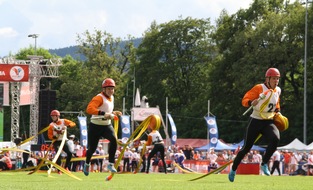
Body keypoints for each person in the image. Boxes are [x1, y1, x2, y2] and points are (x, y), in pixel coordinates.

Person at [228, 68, 282, 182]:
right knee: (246, 148)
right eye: (274, 78)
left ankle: (264, 163)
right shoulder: (259, 88)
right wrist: (250, 102)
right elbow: (245, 99)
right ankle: (233, 169)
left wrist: (278, 112)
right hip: (256, 120)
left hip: (268, 121)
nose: (276, 81)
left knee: (275, 138)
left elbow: (276, 104)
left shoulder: (278, 90)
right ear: (267, 79)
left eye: (277, 78)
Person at [83, 78, 122, 176]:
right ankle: (87, 163)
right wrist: (104, 114)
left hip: (106, 125)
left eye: (112, 89)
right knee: (92, 148)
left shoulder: (112, 98)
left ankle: (111, 163)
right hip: (95, 126)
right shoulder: (99, 98)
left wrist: (114, 113)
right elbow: (89, 109)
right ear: (104, 89)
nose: (111, 91)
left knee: (114, 140)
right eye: (108, 89)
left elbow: (107, 111)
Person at [47, 110, 76, 174]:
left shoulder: (63, 121)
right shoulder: (51, 125)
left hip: (64, 140)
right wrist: (55, 136)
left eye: (54, 116)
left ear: (57, 116)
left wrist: (67, 126)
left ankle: (66, 167)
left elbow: (73, 123)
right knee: (58, 155)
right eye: (52, 117)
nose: (53, 118)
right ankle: (59, 170)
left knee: (70, 153)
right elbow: (49, 135)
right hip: (56, 141)